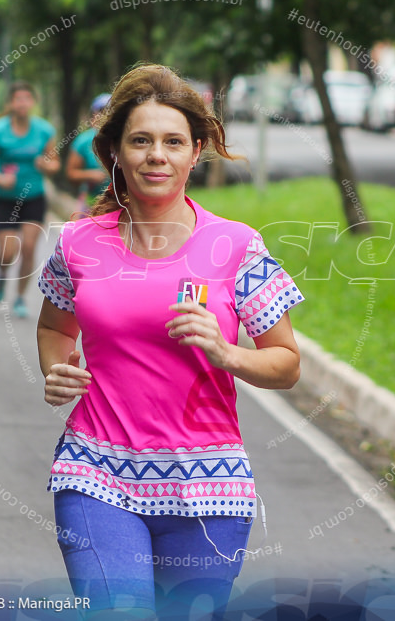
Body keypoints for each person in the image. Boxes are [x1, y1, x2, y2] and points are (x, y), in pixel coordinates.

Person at [36, 64, 304, 617]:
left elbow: (287, 363)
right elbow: (54, 327)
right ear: (114, 153)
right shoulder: (81, 242)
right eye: (141, 140)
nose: (157, 154)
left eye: (173, 141)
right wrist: (55, 369)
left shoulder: (236, 246)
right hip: (95, 471)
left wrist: (226, 353)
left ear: (196, 150)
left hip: (208, 488)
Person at [0, 81, 58, 317]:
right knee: (7, 253)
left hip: (34, 197)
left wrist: (46, 165)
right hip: (5, 199)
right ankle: (2, 275)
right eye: (18, 98)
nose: (22, 103)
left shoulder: (44, 131)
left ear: (33, 102)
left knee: (30, 246)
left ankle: (21, 297)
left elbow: (55, 164)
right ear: (11, 103)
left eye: (27, 98)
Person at [65, 93, 112, 209]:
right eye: (101, 112)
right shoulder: (83, 141)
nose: (105, 116)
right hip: (91, 202)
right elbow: (71, 173)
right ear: (94, 116)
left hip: (118, 202)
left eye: (110, 112)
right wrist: (90, 175)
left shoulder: (125, 139)